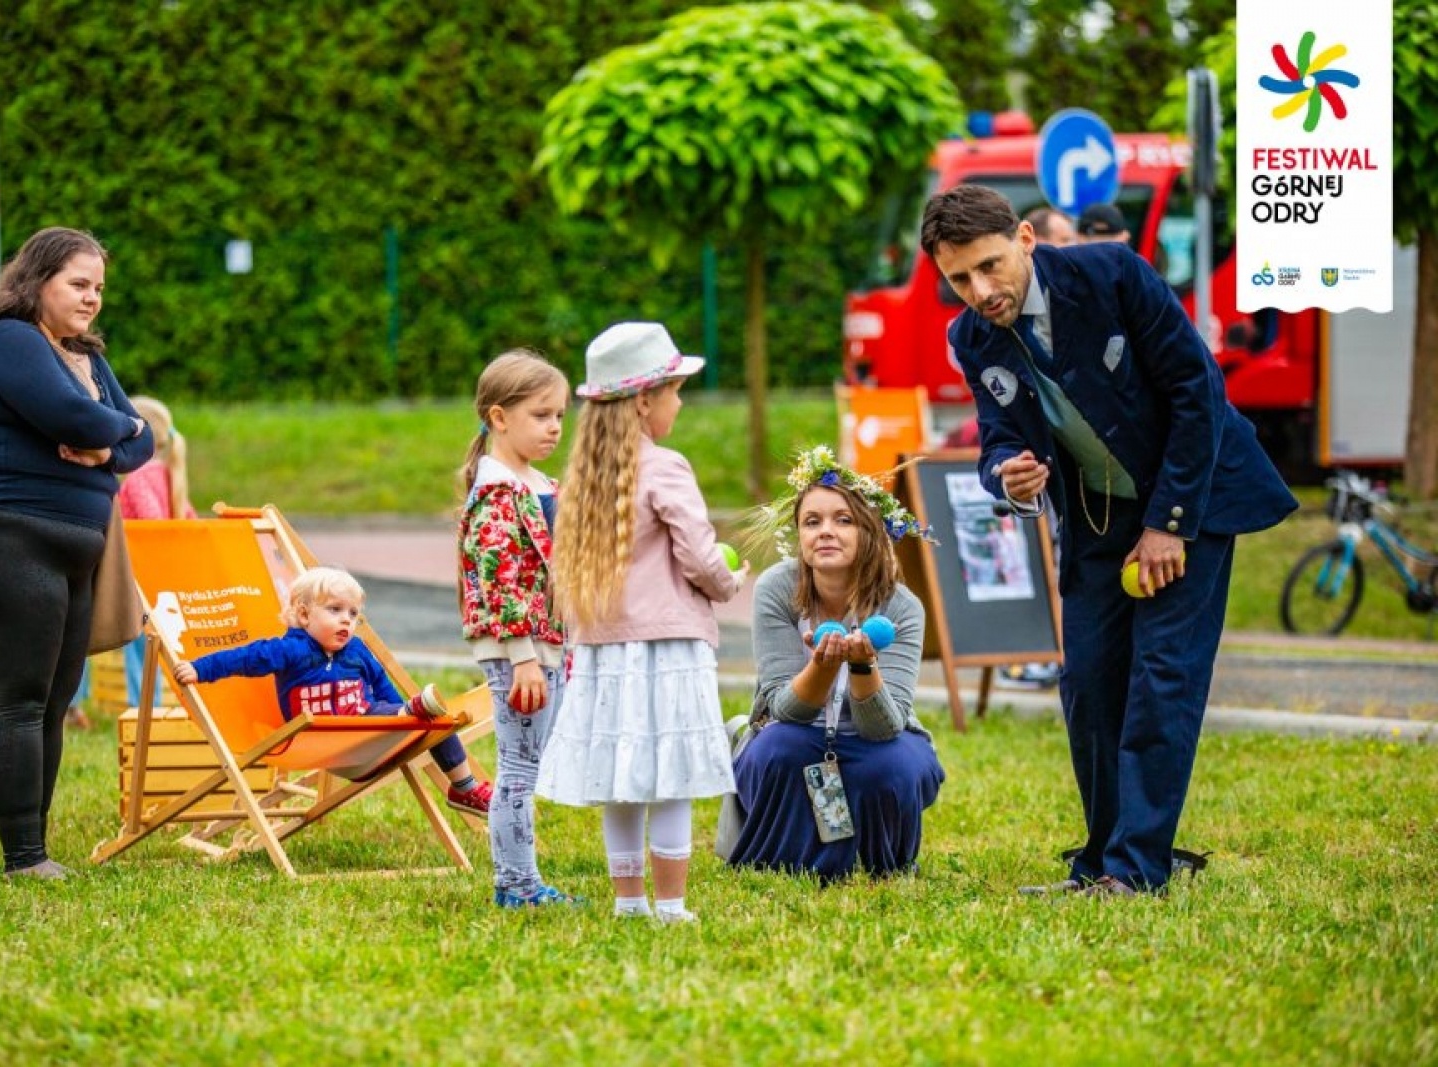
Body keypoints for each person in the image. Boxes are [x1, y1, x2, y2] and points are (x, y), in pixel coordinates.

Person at [919, 185, 1296, 896]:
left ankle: (1137, 867)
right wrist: (1007, 475)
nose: (981, 291)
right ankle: (1100, 859)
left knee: (1161, 676)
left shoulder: (1114, 275)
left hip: (1194, 497)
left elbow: (1197, 391)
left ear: (1025, 238)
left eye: (990, 266)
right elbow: (997, 437)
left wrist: (1167, 525)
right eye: (960, 279)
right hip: (1096, 519)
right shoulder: (971, 337)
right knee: (1089, 683)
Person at [0, 227, 155, 880]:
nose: (92, 298)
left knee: (56, 701)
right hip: (9, 537)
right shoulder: (8, 341)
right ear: (38, 281)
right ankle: (23, 857)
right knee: (23, 699)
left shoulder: (83, 354)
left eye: (99, 287)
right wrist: (122, 428)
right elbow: (79, 420)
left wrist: (114, 439)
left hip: (73, 546)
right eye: (78, 284)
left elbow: (142, 447)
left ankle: (35, 846)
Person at [537, 321, 747, 923]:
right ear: (645, 401)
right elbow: (699, 556)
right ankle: (672, 904)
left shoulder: (583, 479)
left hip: (603, 651)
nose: (680, 403)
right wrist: (730, 581)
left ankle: (629, 902)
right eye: (675, 391)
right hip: (668, 647)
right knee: (670, 777)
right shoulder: (667, 467)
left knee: (621, 778)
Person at [726, 445, 944, 881]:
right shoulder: (776, 588)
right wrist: (823, 666)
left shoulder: (901, 606)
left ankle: (880, 862)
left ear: (870, 532)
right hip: (798, 731)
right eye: (812, 522)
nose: (826, 531)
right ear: (800, 536)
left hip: (873, 740)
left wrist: (862, 667)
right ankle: (784, 860)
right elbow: (785, 711)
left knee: (894, 764)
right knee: (778, 749)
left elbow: (884, 728)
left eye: (843, 520)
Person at [171, 566, 493, 812]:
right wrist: (200, 669)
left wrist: (405, 715)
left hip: (370, 734)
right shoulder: (290, 650)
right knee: (412, 713)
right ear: (303, 614)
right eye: (335, 610)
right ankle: (410, 714)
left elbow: (383, 690)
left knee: (439, 721)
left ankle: (464, 788)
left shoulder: (357, 651)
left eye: (353, 613)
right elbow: (244, 658)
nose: (346, 621)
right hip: (319, 740)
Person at [458, 349, 574, 908]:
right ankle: (517, 885)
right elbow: (499, 581)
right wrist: (522, 656)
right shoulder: (497, 492)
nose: (554, 427)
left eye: (559, 416)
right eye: (541, 415)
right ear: (499, 417)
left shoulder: (536, 482)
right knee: (519, 770)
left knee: (530, 765)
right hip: (518, 652)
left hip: (548, 644)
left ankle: (522, 880)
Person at [115, 395, 196, 714]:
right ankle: (156, 706)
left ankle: (145, 710)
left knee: (139, 647)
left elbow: (153, 524)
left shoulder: (139, 479)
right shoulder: (170, 474)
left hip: (140, 577)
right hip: (165, 577)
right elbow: (189, 522)